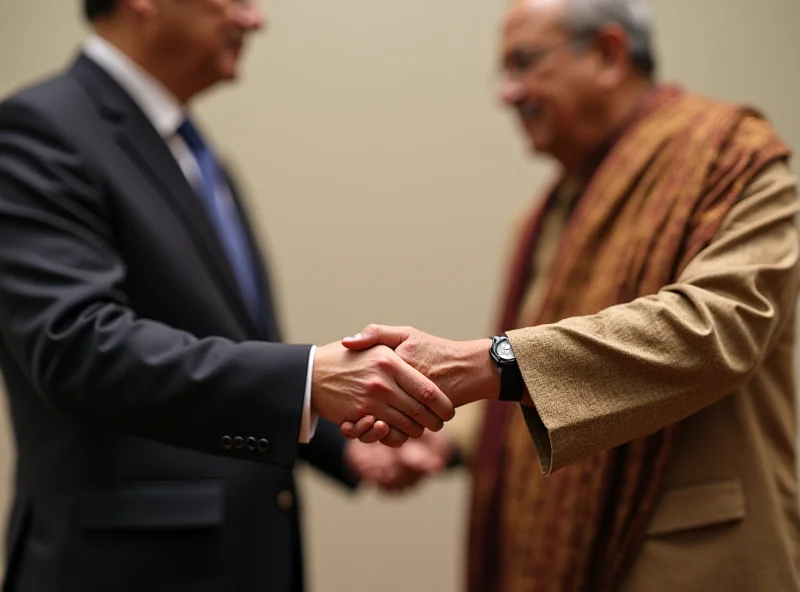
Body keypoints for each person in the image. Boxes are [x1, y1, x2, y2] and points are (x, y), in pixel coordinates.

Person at [341, 0, 800, 590]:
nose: (507, 93)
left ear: (609, 53)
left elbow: (718, 330)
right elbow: (553, 377)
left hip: (683, 563)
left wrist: (489, 363)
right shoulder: (541, 216)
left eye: (525, 63)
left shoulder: (734, 160)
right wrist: (444, 441)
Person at [0, 1, 456, 590]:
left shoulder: (196, 154)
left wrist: (340, 446)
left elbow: (233, 347)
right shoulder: (38, 129)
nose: (255, 18)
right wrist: (310, 379)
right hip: (125, 571)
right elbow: (77, 346)